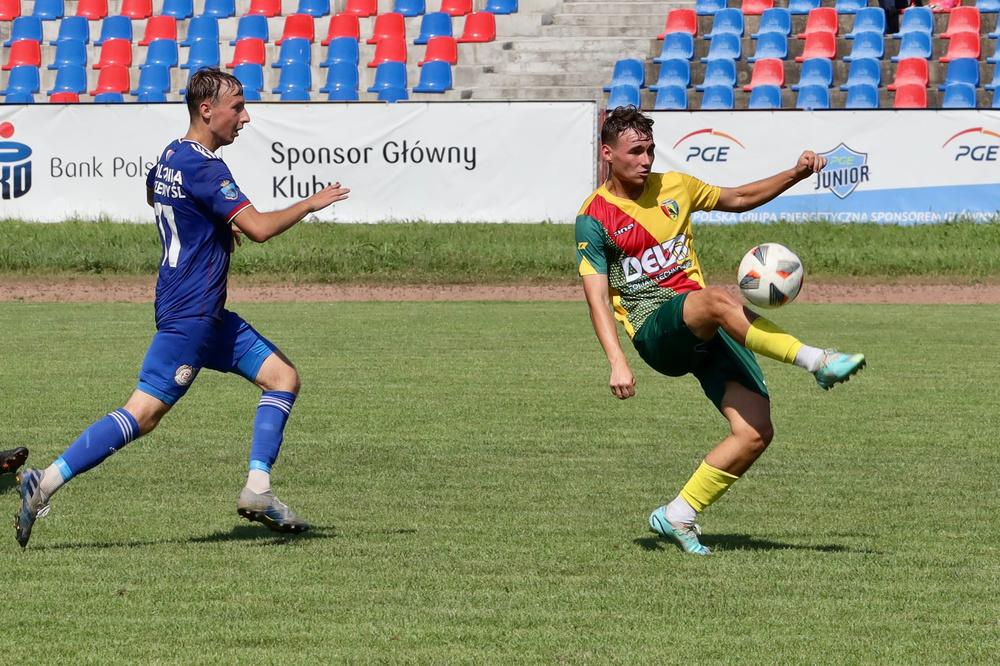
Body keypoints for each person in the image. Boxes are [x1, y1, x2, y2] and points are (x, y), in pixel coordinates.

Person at [14, 69, 350, 548]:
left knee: (283, 378)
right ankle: (44, 482)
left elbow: (154, 191)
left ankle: (258, 489)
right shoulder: (207, 168)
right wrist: (311, 204)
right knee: (142, 413)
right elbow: (259, 228)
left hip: (204, 312)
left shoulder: (172, 154)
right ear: (206, 110)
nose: (245, 117)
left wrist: (212, 226)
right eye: (237, 107)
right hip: (191, 315)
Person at [575, 106, 865, 556]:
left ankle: (678, 514)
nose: (646, 159)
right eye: (635, 151)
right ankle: (817, 361)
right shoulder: (594, 218)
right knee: (714, 299)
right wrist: (617, 361)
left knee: (755, 432)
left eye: (650, 149)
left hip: (703, 326)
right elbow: (596, 296)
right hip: (656, 332)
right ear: (608, 154)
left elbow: (741, 197)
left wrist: (795, 174)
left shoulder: (676, 186)